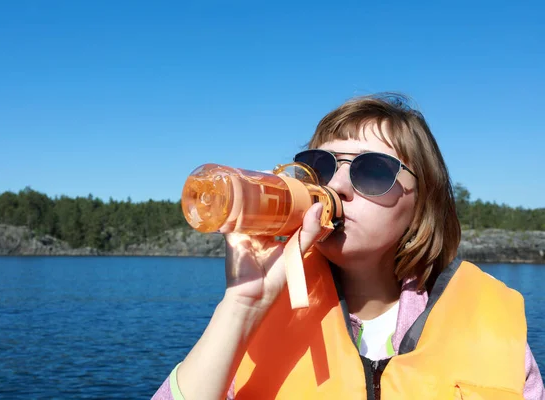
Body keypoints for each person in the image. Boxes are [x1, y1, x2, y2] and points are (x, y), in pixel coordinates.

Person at [152, 93, 544, 399]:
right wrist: (241, 306)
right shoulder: (257, 324)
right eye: (320, 166)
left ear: (422, 202)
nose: (334, 187)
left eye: (371, 170)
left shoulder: (491, 326)